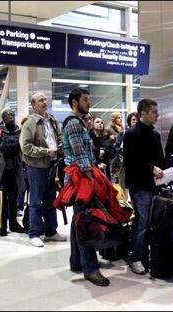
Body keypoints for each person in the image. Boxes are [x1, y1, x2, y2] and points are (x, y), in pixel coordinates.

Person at [62, 88, 109, 287]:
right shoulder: (74, 123)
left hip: (80, 177)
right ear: (75, 102)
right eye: (85, 100)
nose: (88, 103)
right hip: (81, 179)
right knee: (86, 223)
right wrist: (91, 178)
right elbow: (80, 153)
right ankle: (91, 269)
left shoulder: (78, 123)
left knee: (79, 220)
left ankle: (77, 261)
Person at [123, 99, 165, 275]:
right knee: (142, 223)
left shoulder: (155, 134)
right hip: (139, 186)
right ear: (144, 113)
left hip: (154, 185)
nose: (157, 114)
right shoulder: (131, 134)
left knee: (151, 223)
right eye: (154, 111)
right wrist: (151, 168)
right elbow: (130, 162)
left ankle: (146, 255)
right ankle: (136, 258)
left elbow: (160, 159)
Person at [20, 92, 66, 247]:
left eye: (45, 100)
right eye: (41, 100)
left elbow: (58, 138)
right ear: (33, 105)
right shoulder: (30, 123)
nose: (44, 102)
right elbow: (25, 147)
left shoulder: (52, 120)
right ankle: (34, 233)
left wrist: (60, 147)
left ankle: (51, 231)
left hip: (52, 166)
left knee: (51, 200)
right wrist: (45, 152)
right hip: (36, 168)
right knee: (35, 201)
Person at [0, 108, 25, 236]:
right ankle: (2, 225)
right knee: (2, 199)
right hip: (1, 172)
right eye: (7, 115)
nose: (10, 116)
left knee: (14, 197)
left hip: (15, 170)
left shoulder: (19, 131)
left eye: (12, 114)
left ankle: (13, 223)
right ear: (3, 118)